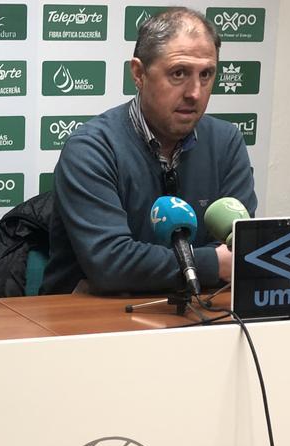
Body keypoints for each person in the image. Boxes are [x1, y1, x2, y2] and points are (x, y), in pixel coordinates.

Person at [41, 7, 257, 296]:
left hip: (196, 316)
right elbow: (111, 264)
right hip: (94, 320)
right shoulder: (91, 148)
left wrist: (160, 266)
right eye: (179, 73)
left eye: (206, 74)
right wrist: (211, 263)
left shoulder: (226, 142)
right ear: (139, 74)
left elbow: (239, 247)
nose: (195, 92)